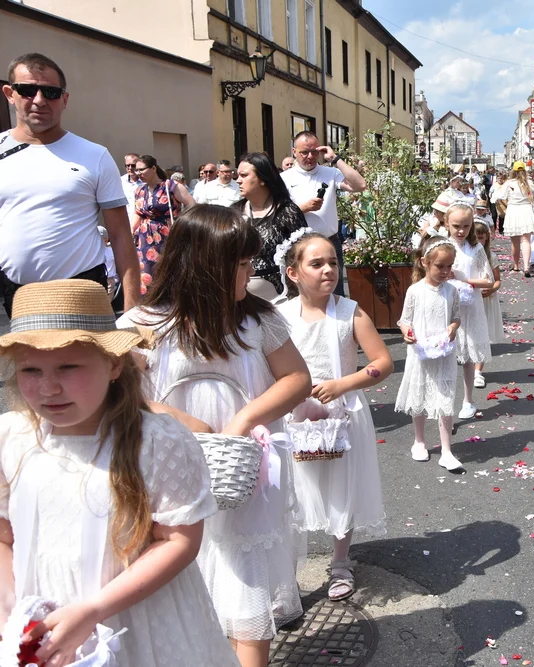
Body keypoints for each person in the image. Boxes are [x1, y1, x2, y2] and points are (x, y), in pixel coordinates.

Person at [0, 279, 241, 666]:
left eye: (67, 366)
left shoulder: (156, 440)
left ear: (113, 364)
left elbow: (179, 541)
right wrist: (8, 607)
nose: (48, 387)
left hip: (137, 623)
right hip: (43, 627)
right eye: (31, 370)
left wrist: (94, 609)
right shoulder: (13, 437)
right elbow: (5, 538)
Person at [119, 206, 311, 667]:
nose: (250, 271)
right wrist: (180, 421)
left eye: (249, 261)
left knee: (246, 577)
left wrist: (244, 420)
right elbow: (117, 389)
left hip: (239, 469)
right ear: (201, 265)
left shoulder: (256, 319)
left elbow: (297, 379)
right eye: (239, 264)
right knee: (182, 569)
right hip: (169, 468)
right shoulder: (148, 321)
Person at [276, 231, 392, 601]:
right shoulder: (279, 316)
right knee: (293, 491)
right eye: (316, 263)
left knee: (341, 488)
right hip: (295, 414)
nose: (328, 270)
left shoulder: (349, 311)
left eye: (332, 262)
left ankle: (340, 562)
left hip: (342, 414)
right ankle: (286, 573)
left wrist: (343, 384)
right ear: (293, 273)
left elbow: (382, 362)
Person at [0, 52, 140, 316]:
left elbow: (121, 235)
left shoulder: (94, 156)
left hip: (82, 290)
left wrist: (133, 309)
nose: (39, 100)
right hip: (18, 295)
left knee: (90, 358)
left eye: (50, 92)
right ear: (10, 93)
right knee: (29, 360)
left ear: (64, 99)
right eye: (28, 90)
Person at [395, 237, 462, 470]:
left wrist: (453, 328)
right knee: (420, 394)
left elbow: (456, 316)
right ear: (424, 262)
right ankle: (419, 441)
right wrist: (407, 332)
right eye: (440, 266)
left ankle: (446, 450)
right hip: (421, 352)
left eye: (449, 266)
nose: (445, 271)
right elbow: (404, 319)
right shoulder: (415, 291)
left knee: (445, 396)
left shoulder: (452, 291)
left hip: (444, 353)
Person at [282, 131, 366, 297]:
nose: (310, 156)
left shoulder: (330, 173)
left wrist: (335, 159)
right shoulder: (284, 178)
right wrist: (302, 208)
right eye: (304, 152)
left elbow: (360, 185)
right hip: (299, 245)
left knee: (334, 293)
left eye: (314, 152)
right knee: (301, 295)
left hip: (328, 242)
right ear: (294, 152)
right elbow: (278, 215)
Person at [235, 152, 308, 300]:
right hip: (241, 297)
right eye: (237, 175)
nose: (238, 181)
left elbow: (303, 253)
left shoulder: (287, 212)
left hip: (279, 296)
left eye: (244, 175)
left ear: (262, 179)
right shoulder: (234, 213)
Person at [445, 203, 494, 421]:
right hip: (445, 304)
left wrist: (466, 280)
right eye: (456, 226)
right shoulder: (442, 245)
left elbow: (489, 279)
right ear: (447, 223)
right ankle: (444, 404)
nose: (461, 231)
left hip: (470, 306)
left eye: (466, 226)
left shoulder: (476, 248)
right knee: (444, 355)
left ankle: (467, 400)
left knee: (466, 356)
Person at [131, 154, 196, 294]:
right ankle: (150, 305)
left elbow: (192, 206)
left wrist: (181, 224)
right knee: (146, 271)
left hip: (168, 234)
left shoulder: (171, 186)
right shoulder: (139, 190)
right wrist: (131, 231)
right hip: (145, 238)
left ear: (153, 168)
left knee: (169, 269)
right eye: (136, 170)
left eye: (141, 169)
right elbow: (138, 213)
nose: (138, 173)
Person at [473, 220, 503, 387]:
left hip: (486, 300)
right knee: (471, 336)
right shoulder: (466, 256)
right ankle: (471, 367)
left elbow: (498, 281)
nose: (479, 242)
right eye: (475, 238)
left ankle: (478, 372)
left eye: (482, 238)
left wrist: (491, 289)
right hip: (470, 301)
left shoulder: (491, 256)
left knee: (482, 337)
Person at [496, 161, 534, 277]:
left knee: (515, 241)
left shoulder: (509, 183)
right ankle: (526, 266)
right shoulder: (528, 182)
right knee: (526, 240)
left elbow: (500, 196)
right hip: (526, 209)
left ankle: (515, 266)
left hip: (514, 210)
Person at [121, 152, 141, 222]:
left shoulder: (146, 182)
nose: (130, 168)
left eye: (133, 165)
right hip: (126, 222)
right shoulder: (120, 182)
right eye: (127, 165)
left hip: (142, 223)